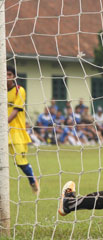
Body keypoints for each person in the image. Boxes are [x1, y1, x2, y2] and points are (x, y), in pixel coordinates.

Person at [7, 65, 40, 194]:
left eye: (9, 74)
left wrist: (3, 123)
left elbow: (16, 110)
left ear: (14, 76)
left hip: (16, 133)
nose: (7, 77)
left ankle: (32, 180)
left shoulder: (19, 90)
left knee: (20, 162)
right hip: (2, 132)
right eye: (4, 74)